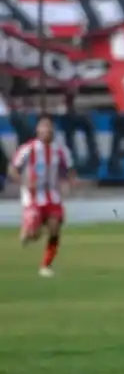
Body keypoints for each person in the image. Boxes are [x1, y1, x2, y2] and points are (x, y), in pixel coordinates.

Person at [8, 115, 76, 278]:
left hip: (52, 195)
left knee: (55, 228)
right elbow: (13, 169)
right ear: (38, 130)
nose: (47, 130)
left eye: (49, 127)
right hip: (33, 197)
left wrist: (69, 181)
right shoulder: (28, 149)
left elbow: (69, 170)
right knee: (34, 234)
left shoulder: (61, 150)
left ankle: (46, 266)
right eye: (43, 127)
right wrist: (24, 181)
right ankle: (27, 232)